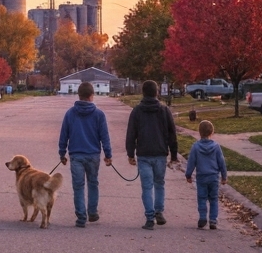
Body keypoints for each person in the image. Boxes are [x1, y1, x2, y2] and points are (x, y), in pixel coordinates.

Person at [126, 80, 180, 230]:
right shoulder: (164, 110)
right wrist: (173, 154)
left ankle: (150, 217)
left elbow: (131, 134)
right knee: (159, 183)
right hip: (160, 153)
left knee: (147, 187)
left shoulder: (137, 111)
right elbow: (172, 134)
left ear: (143, 92)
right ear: (156, 92)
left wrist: (130, 153)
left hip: (144, 154)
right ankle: (159, 211)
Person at [58, 81, 113, 227]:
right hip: (93, 154)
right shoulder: (99, 115)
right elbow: (104, 136)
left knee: (78, 186)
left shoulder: (70, 113)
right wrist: (108, 154)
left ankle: (81, 216)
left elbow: (64, 135)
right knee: (93, 183)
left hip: (76, 155)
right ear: (91, 96)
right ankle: (93, 212)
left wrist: (62, 153)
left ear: (79, 95)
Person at [185, 119, 229, 230]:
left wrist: (188, 174)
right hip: (214, 176)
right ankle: (213, 220)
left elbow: (191, 161)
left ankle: (203, 217)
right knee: (213, 199)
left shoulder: (195, 147)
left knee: (202, 198)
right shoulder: (216, 146)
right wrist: (224, 176)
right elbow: (221, 162)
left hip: (201, 177)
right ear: (212, 132)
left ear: (199, 132)